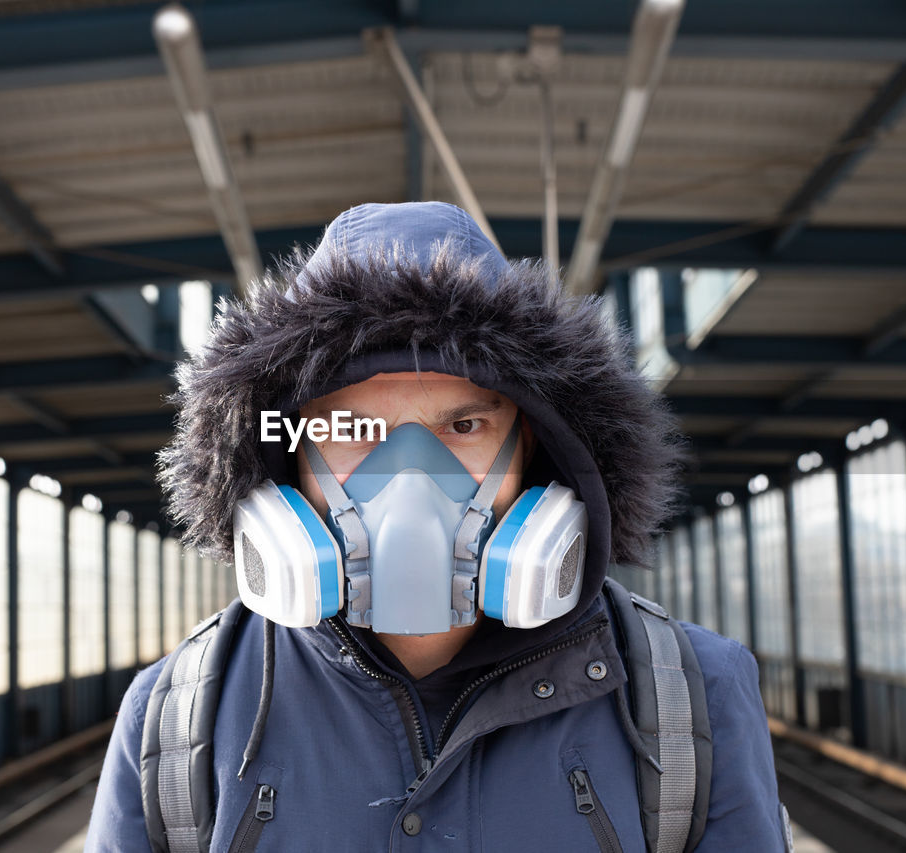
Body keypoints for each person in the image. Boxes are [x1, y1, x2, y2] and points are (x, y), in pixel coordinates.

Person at [85, 202, 791, 852]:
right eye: (356, 428)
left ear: (535, 447)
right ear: (288, 460)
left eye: (465, 424)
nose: (411, 477)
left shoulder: (689, 696)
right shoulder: (176, 721)